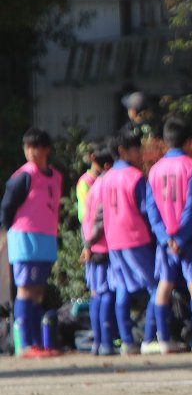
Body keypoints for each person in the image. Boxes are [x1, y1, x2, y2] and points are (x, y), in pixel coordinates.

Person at [146, 117, 192, 354]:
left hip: (165, 239)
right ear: (188, 141)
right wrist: (181, 237)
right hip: (190, 236)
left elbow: (151, 208)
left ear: (165, 140)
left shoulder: (154, 170)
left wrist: (165, 237)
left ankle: (163, 339)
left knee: (164, 284)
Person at [1, 128, 63, 357]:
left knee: (38, 290)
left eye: (35, 146)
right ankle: (25, 344)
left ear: (46, 149)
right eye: (27, 147)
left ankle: (38, 343)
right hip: (25, 239)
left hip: (46, 239)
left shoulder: (55, 176)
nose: (30, 152)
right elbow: (7, 207)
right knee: (26, 288)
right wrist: (5, 232)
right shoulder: (23, 176)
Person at [98, 132, 158, 356]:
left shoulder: (106, 178)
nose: (140, 153)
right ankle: (149, 337)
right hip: (136, 238)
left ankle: (127, 341)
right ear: (123, 150)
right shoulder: (135, 176)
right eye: (136, 149)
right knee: (156, 287)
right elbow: (146, 210)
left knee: (121, 288)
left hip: (114, 240)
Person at [80, 146, 116, 355]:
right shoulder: (105, 185)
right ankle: (106, 342)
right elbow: (100, 219)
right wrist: (89, 242)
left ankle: (97, 342)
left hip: (92, 245)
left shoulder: (93, 186)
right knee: (106, 292)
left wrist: (87, 243)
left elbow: (86, 217)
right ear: (109, 166)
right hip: (103, 245)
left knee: (96, 293)